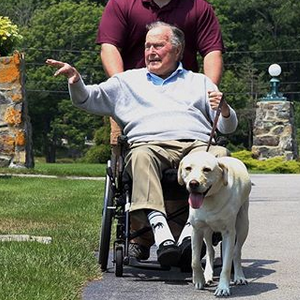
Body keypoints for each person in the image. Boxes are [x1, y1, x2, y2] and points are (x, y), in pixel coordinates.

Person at [46, 22, 237, 269]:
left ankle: (191, 233)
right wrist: (75, 81)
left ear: (177, 51)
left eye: (158, 45)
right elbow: (88, 99)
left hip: (196, 148)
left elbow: (226, 128)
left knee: (220, 154)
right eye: (147, 46)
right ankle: (162, 235)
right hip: (150, 145)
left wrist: (224, 109)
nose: (150, 51)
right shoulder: (127, 82)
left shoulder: (198, 82)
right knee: (140, 155)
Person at [96, 0, 225, 145]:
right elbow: (109, 48)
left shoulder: (199, 7)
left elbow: (212, 52)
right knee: (128, 154)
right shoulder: (120, 4)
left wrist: (208, 97)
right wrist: (122, 91)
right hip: (134, 98)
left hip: (185, 101)